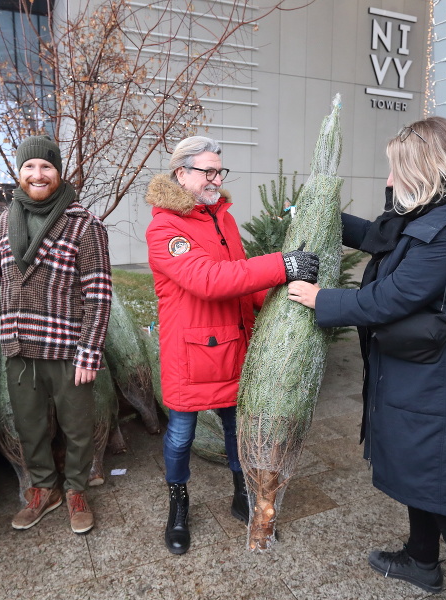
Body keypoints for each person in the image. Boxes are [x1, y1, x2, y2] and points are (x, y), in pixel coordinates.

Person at [287, 117, 446, 600]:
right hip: (424, 369)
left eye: (395, 172)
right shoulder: (436, 213)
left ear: (429, 172)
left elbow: (387, 299)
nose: (388, 182)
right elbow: (382, 239)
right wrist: (320, 212)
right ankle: (421, 560)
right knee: (422, 472)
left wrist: (320, 298)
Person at [145, 135, 319, 555]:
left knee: (234, 430)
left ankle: (242, 493)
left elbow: (238, 277)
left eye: (219, 171)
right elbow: (208, 280)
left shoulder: (222, 218)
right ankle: (178, 506)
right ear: (181, 174)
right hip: (190, 353)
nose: (215, 179)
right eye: (207, 171)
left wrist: (278, 299)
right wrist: (282, 264)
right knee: (181, 436)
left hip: (231, 346)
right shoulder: (165, 226)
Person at [0, 135, 112, 535]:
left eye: (46, 167)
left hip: (67, 348)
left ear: (58, 172)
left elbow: (99, 294)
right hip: (20, 345)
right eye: (29, 167)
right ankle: (44, 490)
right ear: (19, 173)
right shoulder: (5, 219)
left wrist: (89, 352)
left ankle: (77, 489)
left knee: (77, 428)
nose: (38, 174)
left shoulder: (83, 224)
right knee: (29, 427)